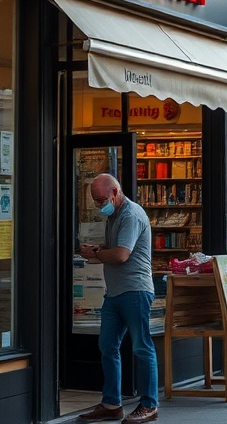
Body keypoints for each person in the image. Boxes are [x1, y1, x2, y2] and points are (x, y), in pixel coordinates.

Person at [78, 174, 158, 423]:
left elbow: (122, 254)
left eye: (101, 199)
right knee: (108, 346)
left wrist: (97, 253)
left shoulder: (131, 215)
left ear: (115, 192)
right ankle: (112, 403)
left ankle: (149, 404)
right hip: (115, 293)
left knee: (142, 347)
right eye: (95, 200)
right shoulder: (114, 215)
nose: (99, 204)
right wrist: (99, 250)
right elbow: (115, 250)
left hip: (135, 290)